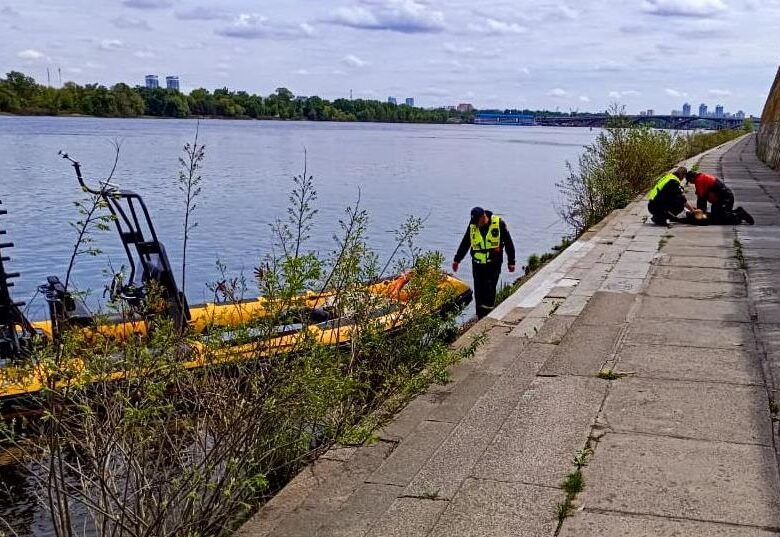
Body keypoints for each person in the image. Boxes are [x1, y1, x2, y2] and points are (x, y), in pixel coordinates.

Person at [452, 207, 515, 319]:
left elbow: (509, 242)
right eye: (474, 222)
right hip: (477, 264)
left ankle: (488, 315)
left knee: (489, 288)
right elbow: (465, 242)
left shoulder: (498, 223)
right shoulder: (473, 225)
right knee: (479, 290)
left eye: (477, 221)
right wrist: (457, 260)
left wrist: (511, 261)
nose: (476, 224)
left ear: (484, 217)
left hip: (494, 263)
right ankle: (480, 315)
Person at [685, 170, 754, 225]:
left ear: (692, 178)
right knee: (715, 216)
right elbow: (702, 197)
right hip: (721, 199)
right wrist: (700, 210)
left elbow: (701, 199)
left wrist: (699, 213)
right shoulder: (701, 177)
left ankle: (740, 215)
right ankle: (737, 212)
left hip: (725, 199)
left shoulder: (699, 180)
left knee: (720, 220)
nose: (691, 183)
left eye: (690, 181)